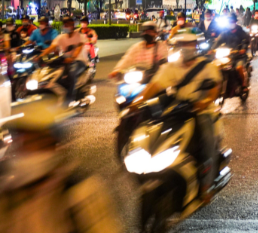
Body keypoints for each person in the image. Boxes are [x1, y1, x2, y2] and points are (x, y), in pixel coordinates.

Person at [0, 94, 122, 232]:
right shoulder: (8, 194)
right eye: (22, 142)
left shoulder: (81, 193)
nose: (26, 150)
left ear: (54, 146)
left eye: (36, 141)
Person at [133, 32, 223, 199]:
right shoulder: (170, 67)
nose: (186, 48)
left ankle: (206, 184)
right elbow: (154, 86)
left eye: (190, 45)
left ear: (195, 46)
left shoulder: (206, 66)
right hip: (177, 109)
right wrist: (138, 102)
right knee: (151, 131)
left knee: (207, 140)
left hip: (201, 111)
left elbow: (215, 88)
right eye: (183, 45)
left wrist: (205, 101)